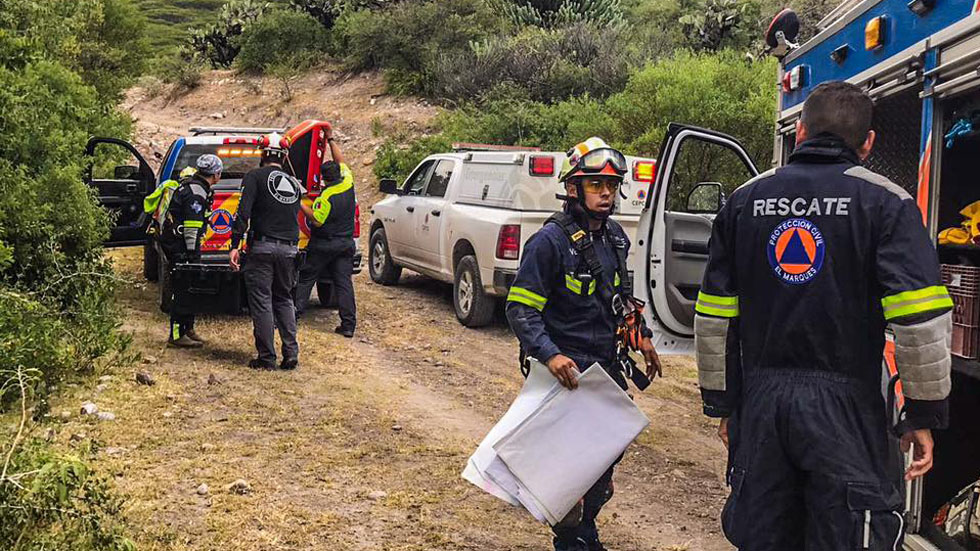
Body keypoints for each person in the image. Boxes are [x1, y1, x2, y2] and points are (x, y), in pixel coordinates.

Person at [695, 81, 952, 550]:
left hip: (764, 403)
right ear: (868, 142)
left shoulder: (744, 201)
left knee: (765, 533)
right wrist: (922, 412)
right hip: (848, 408)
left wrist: (724, 403)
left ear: (800, 131)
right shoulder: (888, 203)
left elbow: (714, 316)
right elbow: (921, 320)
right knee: (848, 534)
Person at [505, 137, 662, 551]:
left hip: (604, 370)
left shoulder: (615, 238)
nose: (606, 193)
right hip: (566, 375)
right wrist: (550, 354)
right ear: (573, 188)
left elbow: (619, 299)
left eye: (612, 185)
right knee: (572, 473)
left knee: (604, 466)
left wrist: (642, 336)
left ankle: (583, 529)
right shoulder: (549, 243)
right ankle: (573, 539)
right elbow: (520, 309)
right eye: (596, 184)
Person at [229, 133, 302, 370]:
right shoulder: (293, 183)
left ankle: (267, 357)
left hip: (262, 247)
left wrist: (234, 245)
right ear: (284, 156)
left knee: (262, 301)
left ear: (262, 154)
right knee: (284, 299)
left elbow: (243, 213)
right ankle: (291, 353)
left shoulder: (254, 177)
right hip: (290, 249)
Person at [294, 127, 358, 337]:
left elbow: (317, 220)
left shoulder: (326, 197)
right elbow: (341, 160)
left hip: (323, 245)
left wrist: (299, 201)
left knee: (306, 278)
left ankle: (293, 316)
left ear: (324, 179)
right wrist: (330, 140)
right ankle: (348, 326)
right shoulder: (347, 182)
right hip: (345, 244)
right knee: (343, 284)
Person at [165, 156, 221, 348]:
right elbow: (191, 228)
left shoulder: (195, 187)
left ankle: (188, 328)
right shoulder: (196, 192)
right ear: (216, 174)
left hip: (182, 245)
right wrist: (191, 257)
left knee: (189, 289)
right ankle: (177, 334)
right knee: (182, 289)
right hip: (182, 248)